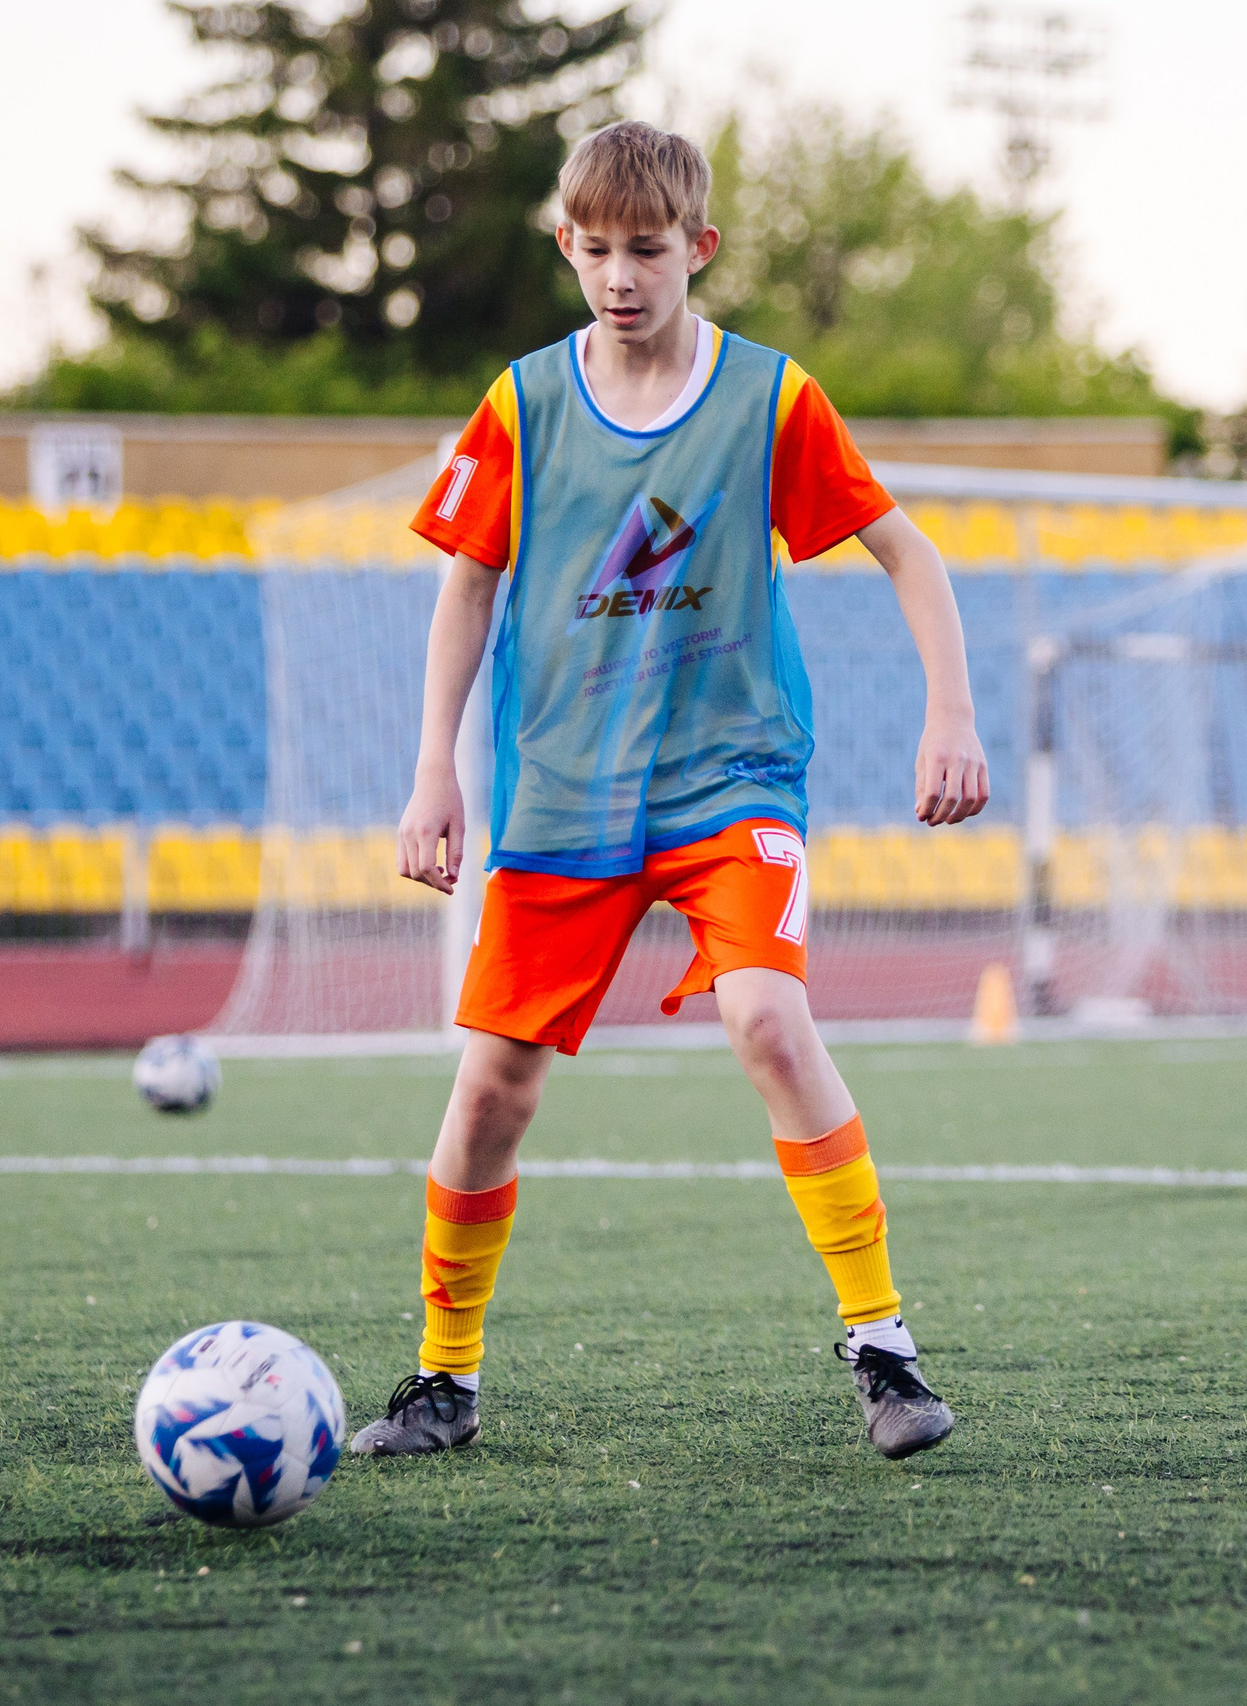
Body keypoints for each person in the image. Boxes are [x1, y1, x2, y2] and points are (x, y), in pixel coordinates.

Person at [347, 121, 988, 1464]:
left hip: (730, 780)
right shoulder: (523, 403)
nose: (621, 275)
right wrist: (432, 772)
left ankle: (883, 1344)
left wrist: (951, 711)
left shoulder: (770, 396)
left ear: (699, 248)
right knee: (490, 1094)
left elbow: (908, 551)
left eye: (648, 249)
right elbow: (465, 585)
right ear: (564, 245)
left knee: (767, 1017)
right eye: (595, 250)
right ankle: (443, 1377)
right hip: (563, 795)